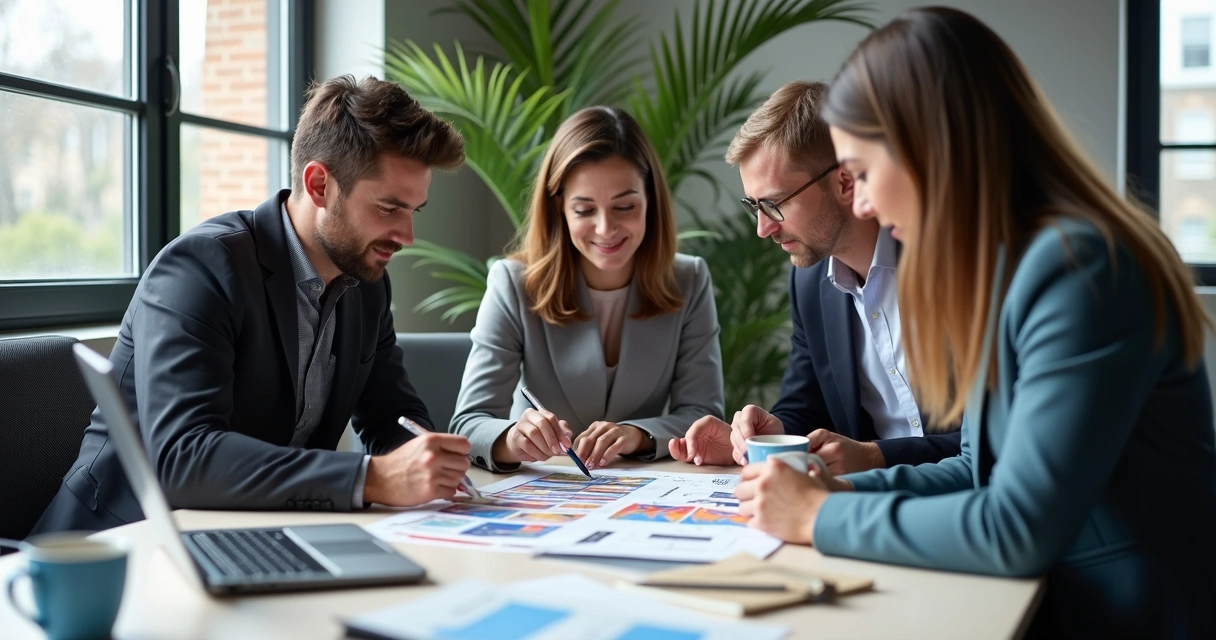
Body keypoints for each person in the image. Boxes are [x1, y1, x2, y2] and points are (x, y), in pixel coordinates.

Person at [734, 8, 1216, 637]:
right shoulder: (1005, 266)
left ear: (933, 149)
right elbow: (977, 467)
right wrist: (838, 496)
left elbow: (1017, 528)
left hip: (1121, 617)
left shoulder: (1080, 268)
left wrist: (818, 519)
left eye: (866, 173)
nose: (868, 203)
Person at [33, 75, 475, 534]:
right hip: (120, 545)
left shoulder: (366, 283)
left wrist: (427, 460)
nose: (407, 236)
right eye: (389, 208)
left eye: (412, 211)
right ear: (320, 184)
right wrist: (373, 478)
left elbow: (390, 416)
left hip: (257, 534)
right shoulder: (200, 267)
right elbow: (183, 459)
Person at [668, 81, 959, 474]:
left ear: (844, 182)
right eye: (752, 205)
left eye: (772, 204)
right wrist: (767, 438)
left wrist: (877, 456)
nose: (762, 229)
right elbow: (805, 403)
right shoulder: (809, 281)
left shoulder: (955, 264)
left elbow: (1000, 439)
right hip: (862, 504)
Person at [451, 106, 725, 472]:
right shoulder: (513, 283)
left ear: (651, 204)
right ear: (559, 209)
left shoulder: (689, 279)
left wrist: (637, 434)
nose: (605, 229)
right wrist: (513, 437)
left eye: (624, 206)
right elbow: (470, 422)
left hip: (643, 489)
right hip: (541, 491)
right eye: (584, 210)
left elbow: (703, 415)